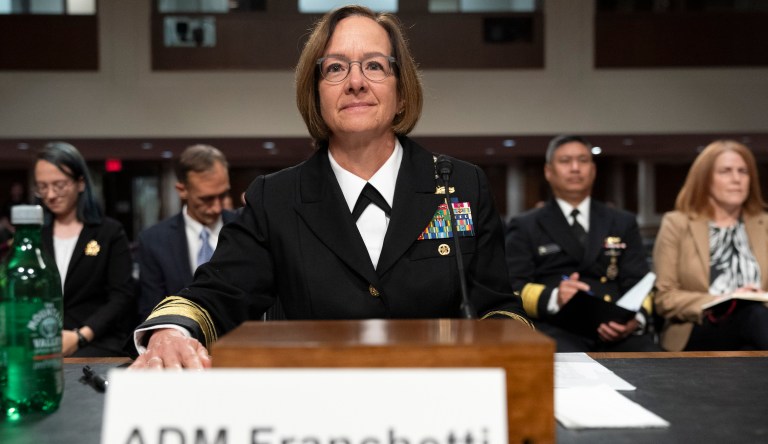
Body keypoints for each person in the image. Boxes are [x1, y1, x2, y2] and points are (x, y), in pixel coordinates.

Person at [130, 5, 531, 370]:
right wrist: (171, 334)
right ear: (316, 95)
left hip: (441, 404)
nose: (355, 82)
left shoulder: (461, 185)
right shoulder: (276, 198)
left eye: (374, 66)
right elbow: (219, 292)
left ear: (402, 93)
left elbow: (496, 308)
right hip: (314, 408)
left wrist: (510, 346)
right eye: (335, 68)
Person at [505, 135, 660, 352]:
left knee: (658, 368)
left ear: (593, 170)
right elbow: (511, 288)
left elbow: (639, 282)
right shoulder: (526, 225)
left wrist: (635, 321)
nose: (575, 168)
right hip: (556, 329)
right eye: (565, 161)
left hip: (617, 328)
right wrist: (554, 297)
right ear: (549, 171)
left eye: (583, 160)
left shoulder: (622, 221)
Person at [653, 140, 768, 351]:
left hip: (759, 328)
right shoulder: (677, 223)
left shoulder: (765, 224)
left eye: (743, 171)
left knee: (756, 315)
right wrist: (724, 300)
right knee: (753, 314)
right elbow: (665, 298)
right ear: (705, 180)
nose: (736, 179)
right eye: (725, 171)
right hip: (700, 327)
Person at [34, 142, 136, 357]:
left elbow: (121, 296)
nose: (50, 195)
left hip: (96, 343)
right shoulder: (34, 235)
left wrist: (80, 336)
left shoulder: (108, 232)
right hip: (41, 341)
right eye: (42, 187)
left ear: (80, 183)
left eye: (59, 185)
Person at [136, 144, 236, 320]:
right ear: (182, 190)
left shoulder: (243, 227)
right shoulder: (154, 240)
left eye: (222, 195)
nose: (217, 207)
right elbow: (152, 309)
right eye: (207, 199)